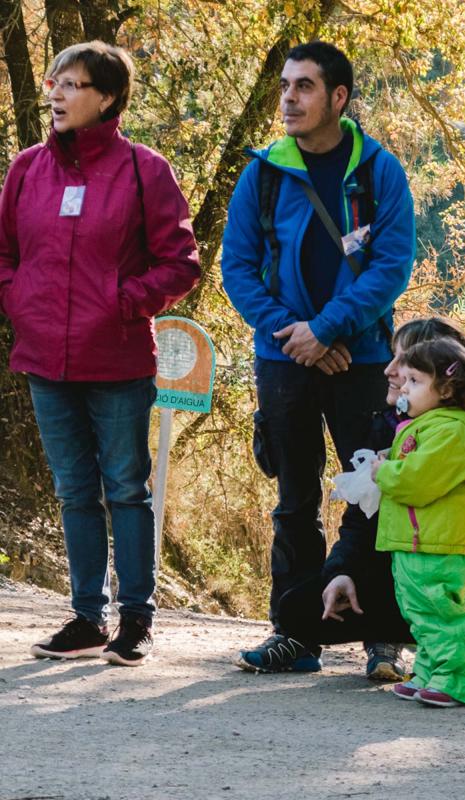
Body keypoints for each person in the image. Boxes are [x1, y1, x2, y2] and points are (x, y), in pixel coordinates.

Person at [0, 41, 201, 665]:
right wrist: (21, 302)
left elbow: (181, 262)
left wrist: (121, 302)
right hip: (44, 361)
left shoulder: (145, 170)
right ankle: (86, 618)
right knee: (73, 491)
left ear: (108, 97)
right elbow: (5, 254)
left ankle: (135, 619)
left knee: (126, 489)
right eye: (55, 81)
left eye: (74, 84)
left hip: (117, 360)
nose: (56, 93)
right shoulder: (27, 168)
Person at [221, 41, 415, 671]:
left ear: (338, 97)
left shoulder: (379, 171)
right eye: (284, 86)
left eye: (303, 87)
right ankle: (296, 633)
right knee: (294, 497)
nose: (288, 99)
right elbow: (239, 270)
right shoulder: (264, 172)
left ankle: (382, 635)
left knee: (377, 495)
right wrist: (297, 337)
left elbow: (390, 267)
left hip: (363, 364)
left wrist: (327, 330)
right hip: (283, 362)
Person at [278, 317, 465, 704]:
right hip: (409, 561)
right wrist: (342, 571)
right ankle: (411, 653)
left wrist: (406, 471)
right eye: (394, 360)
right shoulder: (393, 423)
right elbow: (361, 516)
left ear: (442, 378)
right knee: (297, 610)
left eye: (404, 365)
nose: (390, 372)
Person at [372, 338, 465, 707]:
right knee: (419, 612)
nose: (404, 387)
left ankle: (455, 680)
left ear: (445, 390)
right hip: (415, 540)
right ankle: (429, 671)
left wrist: (385, 471)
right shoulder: (429, 426)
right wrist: (389, 457)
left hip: (437, 542)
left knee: (439, 611)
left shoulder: (453, 431)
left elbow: (418, 480)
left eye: (414, 381)